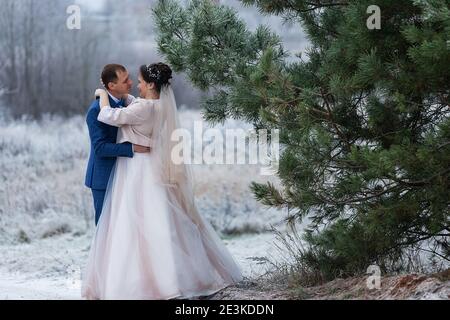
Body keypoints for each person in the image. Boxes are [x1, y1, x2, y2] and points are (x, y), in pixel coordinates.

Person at [81, 62, 243, 299]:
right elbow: (117, 120)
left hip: (137, 169)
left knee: (133, 222)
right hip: (138, 167)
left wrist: (101, 94)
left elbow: (111, 115)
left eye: (138, 81)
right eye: (127, 80)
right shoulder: (154, 105)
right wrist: (133, 142)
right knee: (149, 220)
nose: (134, 84)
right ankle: (167, 275)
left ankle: (136, 280)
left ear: (150, 84)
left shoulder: (142, 107)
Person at [85, 64, 150, 225]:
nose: (131, 82)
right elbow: (100, 148)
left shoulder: (126, 103)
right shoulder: (95, 110)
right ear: (112, 86)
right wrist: (133, 148)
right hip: (103, 177)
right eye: (125, 80)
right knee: (105, 227)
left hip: (125, 174)